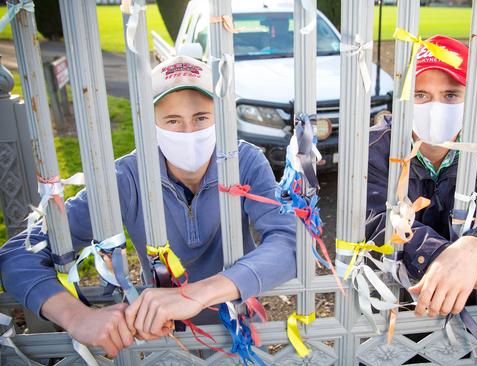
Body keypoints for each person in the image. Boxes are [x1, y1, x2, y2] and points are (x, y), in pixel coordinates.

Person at [0, 55, 297, 357]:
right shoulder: (127, 177)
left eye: (201, 118)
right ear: (150, 124)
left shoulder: (245, 162)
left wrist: (198, 293)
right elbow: (17, 254)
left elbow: (291, 242)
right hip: (161, 336)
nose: (188, 132)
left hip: (235, 326)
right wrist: (76, 316)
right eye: (172, 120)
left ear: (220, 117)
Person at [365, 35, 477, 346]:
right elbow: (376, 222)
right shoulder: (373, 146)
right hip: (386, 300)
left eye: (451, 94)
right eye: (421, 94)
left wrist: (470, 249)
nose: (435, 107)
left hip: (464, 306)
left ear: (472, 97)